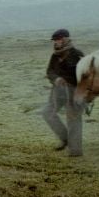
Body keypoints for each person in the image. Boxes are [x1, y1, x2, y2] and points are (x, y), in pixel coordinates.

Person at [40, 28, 85, 157]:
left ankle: (75, 150)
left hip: (74, 92)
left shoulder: (77, 55)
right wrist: (56, 79)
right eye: (54, 40)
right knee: (47, 112)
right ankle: (65, 138)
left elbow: (85, 75)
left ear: (65, 39)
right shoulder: (55, 56)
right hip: (57, 91)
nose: (56, 42)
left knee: (73, 118)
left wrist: (77, 88)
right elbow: (50, 71)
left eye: (58, 39)